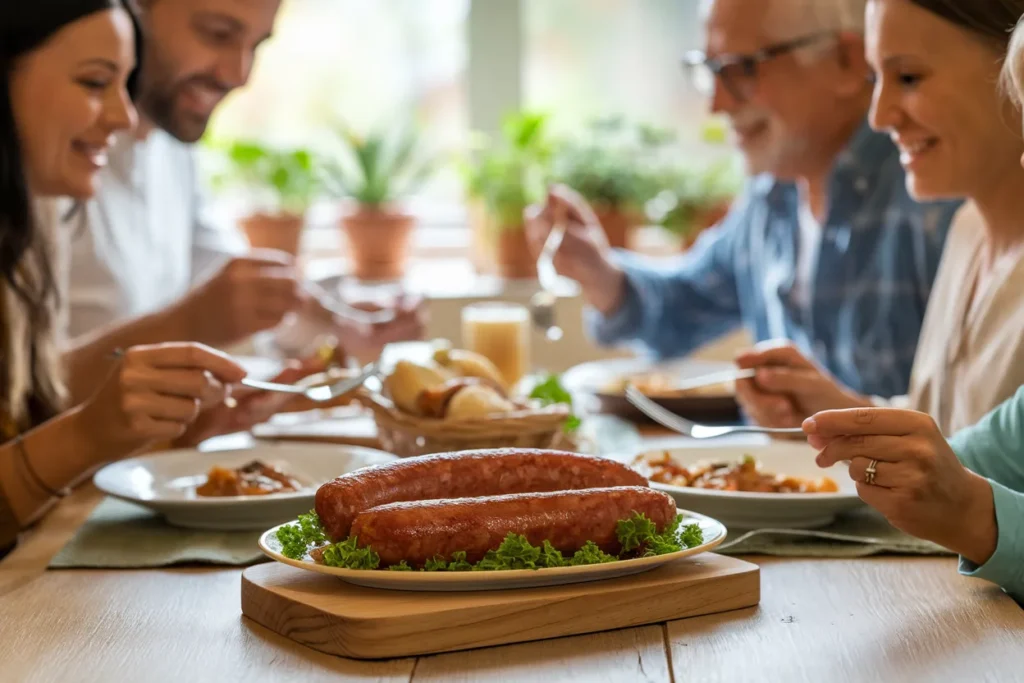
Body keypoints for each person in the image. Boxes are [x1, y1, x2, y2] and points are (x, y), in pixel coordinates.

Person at [526, 0, 959, 400]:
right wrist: (599, 272)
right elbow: (685, 306)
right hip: (787, 481)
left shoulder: (936, 201)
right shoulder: (773, 195)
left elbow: (977, 429)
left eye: (742, 69)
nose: (716, 104)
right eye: (710, 69)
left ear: (847, 62)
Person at [54, 0, 425, 414]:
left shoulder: (173, 150)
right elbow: (19, 393)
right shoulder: (53, 158)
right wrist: (192, 322)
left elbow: (228, 289)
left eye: (256, 45)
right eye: (217, 33)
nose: (239, 75)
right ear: (134, 10)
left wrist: (343, 323)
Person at [0, 0, 256, 552]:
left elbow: (23, 415)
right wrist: (89, 433)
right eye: (95, 82)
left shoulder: (28, 230)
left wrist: (172, 420)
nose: (122, 117)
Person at [735, 0, 1024, 437]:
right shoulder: (968, 230)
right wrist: (840, 411)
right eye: (876, 78)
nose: (878, 116)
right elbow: (955, 433)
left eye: (909, 77)